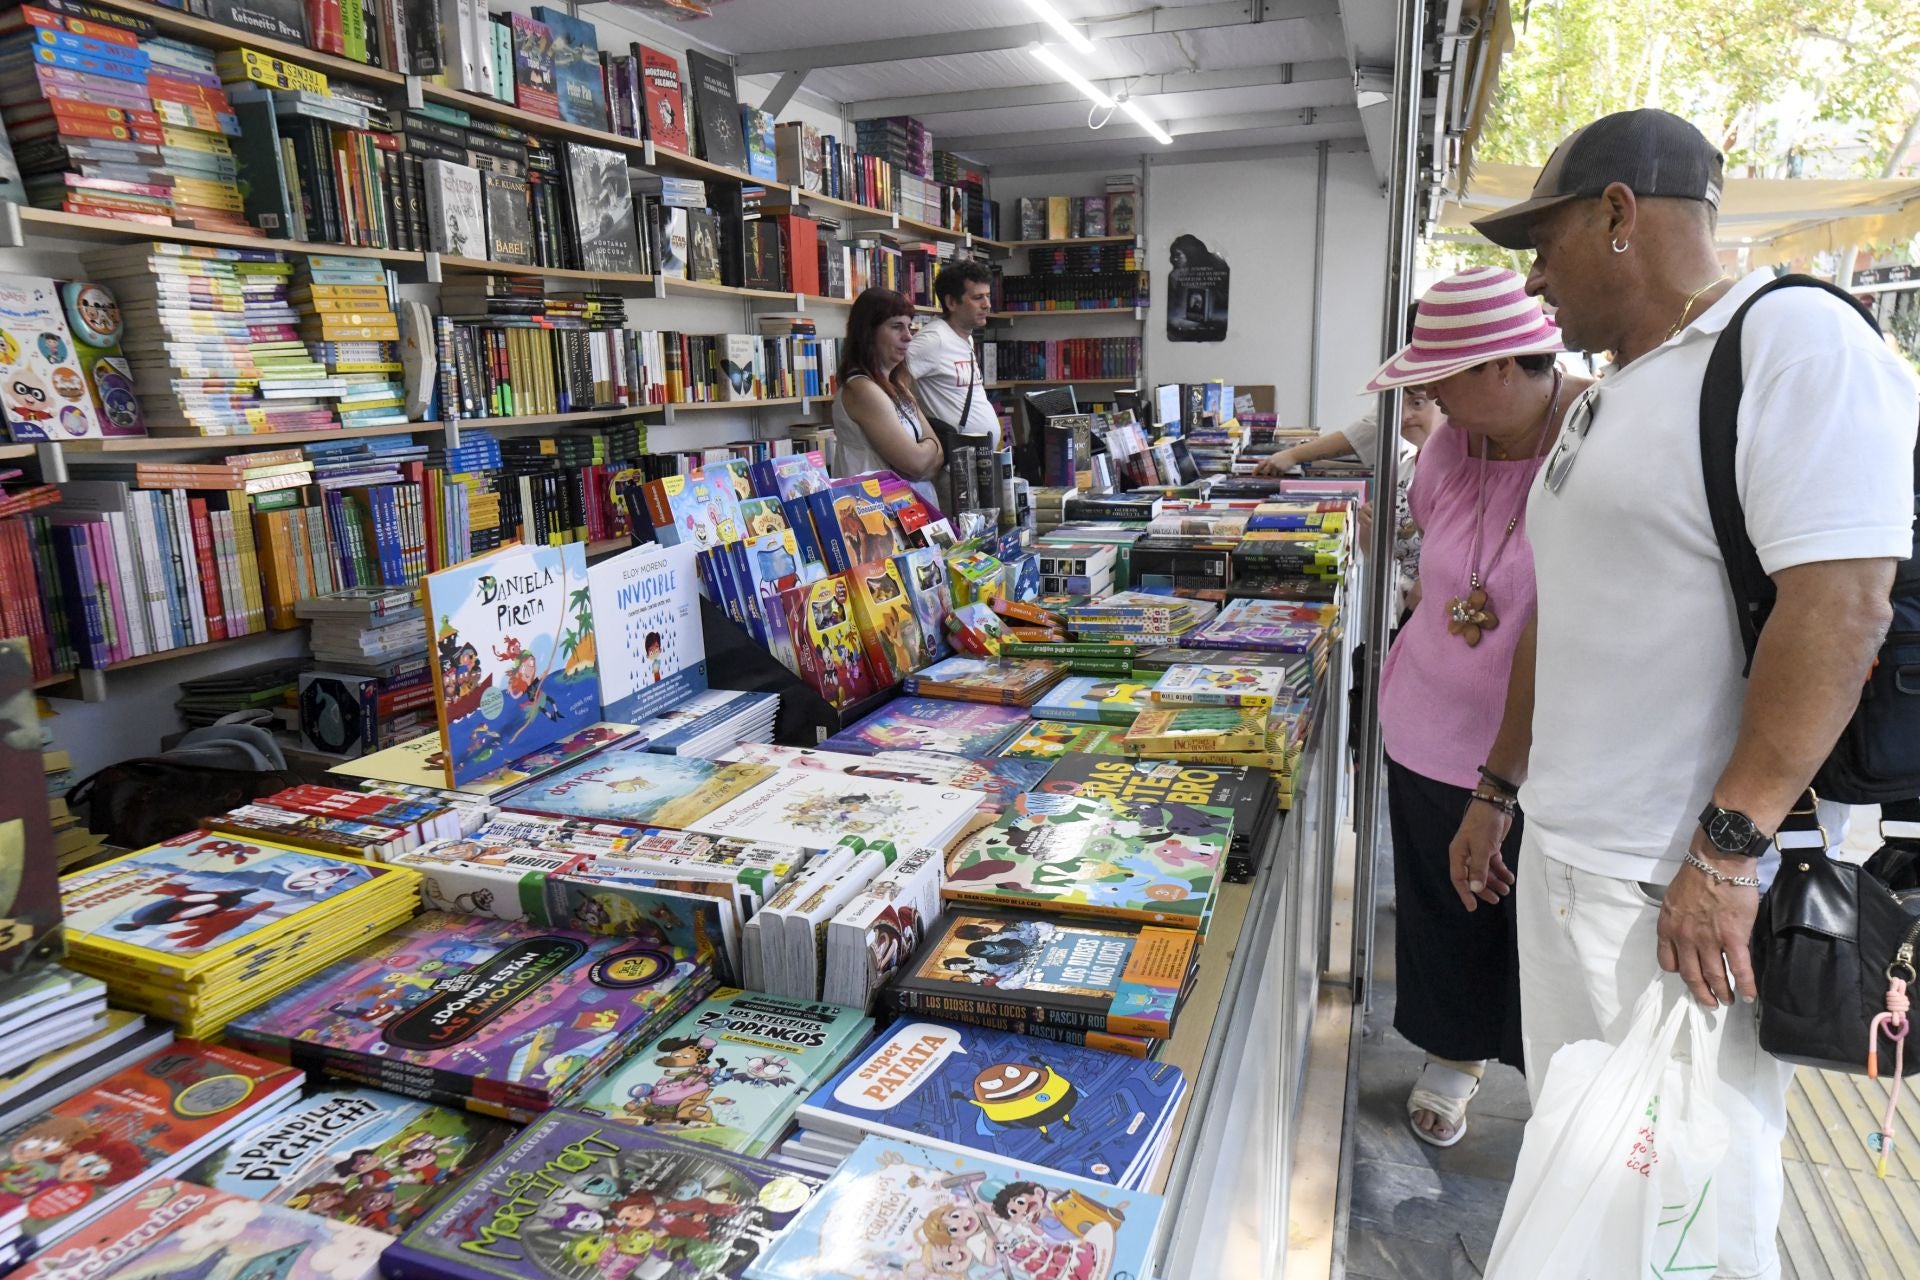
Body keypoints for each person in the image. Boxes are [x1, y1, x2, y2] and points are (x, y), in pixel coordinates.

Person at [1453, 109, 1915, 1277]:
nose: (1534, 278)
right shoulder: (1614, 393)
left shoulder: (1793, 341)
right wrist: (1499, 786)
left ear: (1618, 214)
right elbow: (1566, 606)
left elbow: (1842, 604)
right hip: (1570, 854)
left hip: (1678, 882)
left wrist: (1726, 851)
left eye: (1544, 243)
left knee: (1687, 1212)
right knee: (1586, 1167)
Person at [1363, 267, 1587, 1148]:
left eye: (1439, 382)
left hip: (1541, 749)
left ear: (1500, 367)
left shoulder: (1596, 440)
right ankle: (1453, 1058)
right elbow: (1443, 557)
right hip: (1425, 727)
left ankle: (1558, 1086)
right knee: (1446, 908)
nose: (1428, 401)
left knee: (1538, 923)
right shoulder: (1458, 441)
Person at [831, 288, 943, 507]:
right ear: (868, 333)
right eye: (896, 327)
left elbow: (935, 459)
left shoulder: (897, 387)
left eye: (909, 327)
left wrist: (925, 452)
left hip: (907, 513)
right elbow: (918, 464)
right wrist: (928, 448)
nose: (908, 336)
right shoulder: (863, 390)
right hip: (875, 516)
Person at [907, 260, 1001, 449]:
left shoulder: (966, 338)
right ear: (951, 302)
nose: (987, 305)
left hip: (974, 458)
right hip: (953, 461)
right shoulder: (934, 339)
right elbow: (890, 378)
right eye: (977, 298)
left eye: (988, 296)